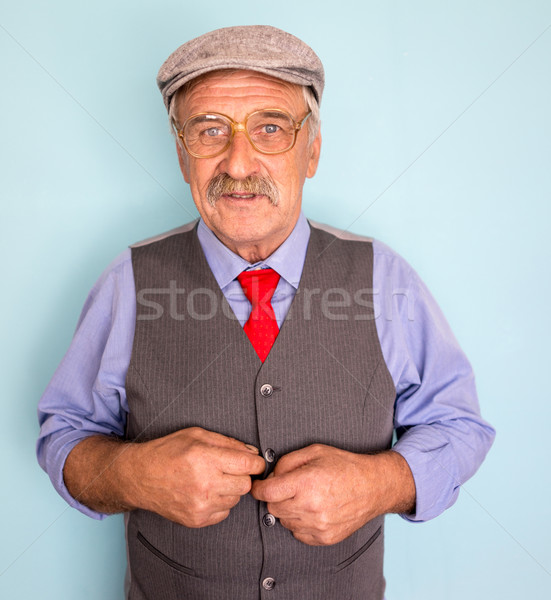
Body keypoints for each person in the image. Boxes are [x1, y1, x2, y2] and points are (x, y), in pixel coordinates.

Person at [37, 25, 495, 600]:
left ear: (313, 150)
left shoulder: (385, 278)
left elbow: (460, 425)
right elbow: (65, 434)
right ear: (183, 157)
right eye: (209, 132)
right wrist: (134, 475)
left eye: (271, 128)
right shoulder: (127, 283)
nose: (238, 161)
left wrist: (382, 482)